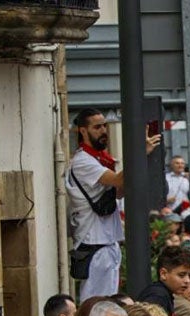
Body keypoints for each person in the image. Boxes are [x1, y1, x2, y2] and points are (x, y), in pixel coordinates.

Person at [66, 109, 159, 300]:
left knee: (106, 302)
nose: (103, 131)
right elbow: (118, 180)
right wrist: (138, 153)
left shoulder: (99, 160)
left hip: (107, 242)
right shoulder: (83, 161)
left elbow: (120, 190)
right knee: (96, 305)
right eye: (97, 127)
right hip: (95, 244)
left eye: (105, 126)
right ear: (83, 131)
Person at [164, 155, 190, 225]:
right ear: (171, 165)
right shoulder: (165, 178)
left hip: (185, 210)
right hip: (170, 210)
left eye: (182, 163)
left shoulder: (188, 178)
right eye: (177, 163)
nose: (180, 165)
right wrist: (167, 200)